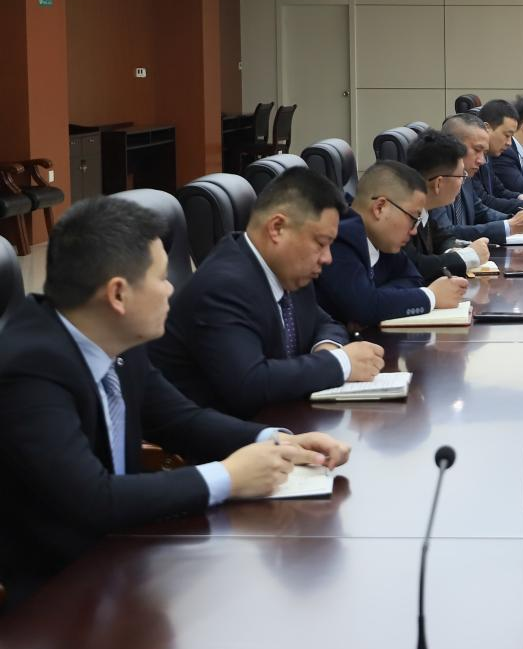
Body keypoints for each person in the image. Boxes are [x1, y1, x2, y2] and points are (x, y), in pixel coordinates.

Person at [0, 197, 351, 605]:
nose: (171, 289)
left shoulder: (117, 338)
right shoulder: (30, 366)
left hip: (124, 559)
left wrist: (275, 441)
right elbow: (92, 499)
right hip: (52, 595)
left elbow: (182, 421)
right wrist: (228, 476)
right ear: (118, 294)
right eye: (162, 278)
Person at [151, 168, 386, 418]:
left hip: (283, 422)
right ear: (277, 228)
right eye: (321, 243)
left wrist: (327, 348)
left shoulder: (288, 270)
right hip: (221, 433)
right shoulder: (223, 286)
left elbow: (327, 323)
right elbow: (250, 382)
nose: (327, 258)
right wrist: (340, 363)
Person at [315, 161, 469, 328]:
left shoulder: (382, 239)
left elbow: (413, 279)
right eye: (413, 218)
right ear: (380, 207)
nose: (414, 231)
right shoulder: (338, 237)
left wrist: (378, 297)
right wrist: (431, 296)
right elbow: (364, 309)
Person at [430, 113, 523, 243]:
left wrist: (515, 220)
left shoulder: (466, 176)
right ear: (452, 146)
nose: (482, 161)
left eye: (484, 153)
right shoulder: (433, 181)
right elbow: (446, 233)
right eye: (477, 150)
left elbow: (481, 212)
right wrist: (509, 226)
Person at [402, 131, 492, 282]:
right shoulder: (401, 215)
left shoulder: (427, 208)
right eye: (461, 176)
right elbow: (415, 266)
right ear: (438, 183)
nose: (463, 182)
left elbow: (443, 237)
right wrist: (470, 255)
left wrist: (454, 251)